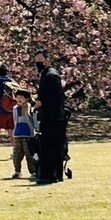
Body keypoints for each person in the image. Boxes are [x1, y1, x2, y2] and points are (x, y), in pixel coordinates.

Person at [33, 51, 66, 184]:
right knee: (54, 146)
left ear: (47, 60)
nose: (38, 63)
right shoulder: (47, 75)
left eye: (40, 60)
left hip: (52, 117)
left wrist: (41, 102)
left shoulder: (51, 75)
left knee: (50, 146)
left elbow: (54, 97)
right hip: (51, 116)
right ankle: (56, 174)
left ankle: (49, 174)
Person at [10, 86, 38, 180]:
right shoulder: (15, 108)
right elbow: (15, 120)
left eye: (21, 97)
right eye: (17, 97)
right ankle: (17, 171)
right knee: (17, 154)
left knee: (29, 154)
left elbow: (33, 120)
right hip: (18, 133)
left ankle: (33, 172)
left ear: (26, 99)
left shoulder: (30, 107)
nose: (19, 99)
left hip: (28, 134)